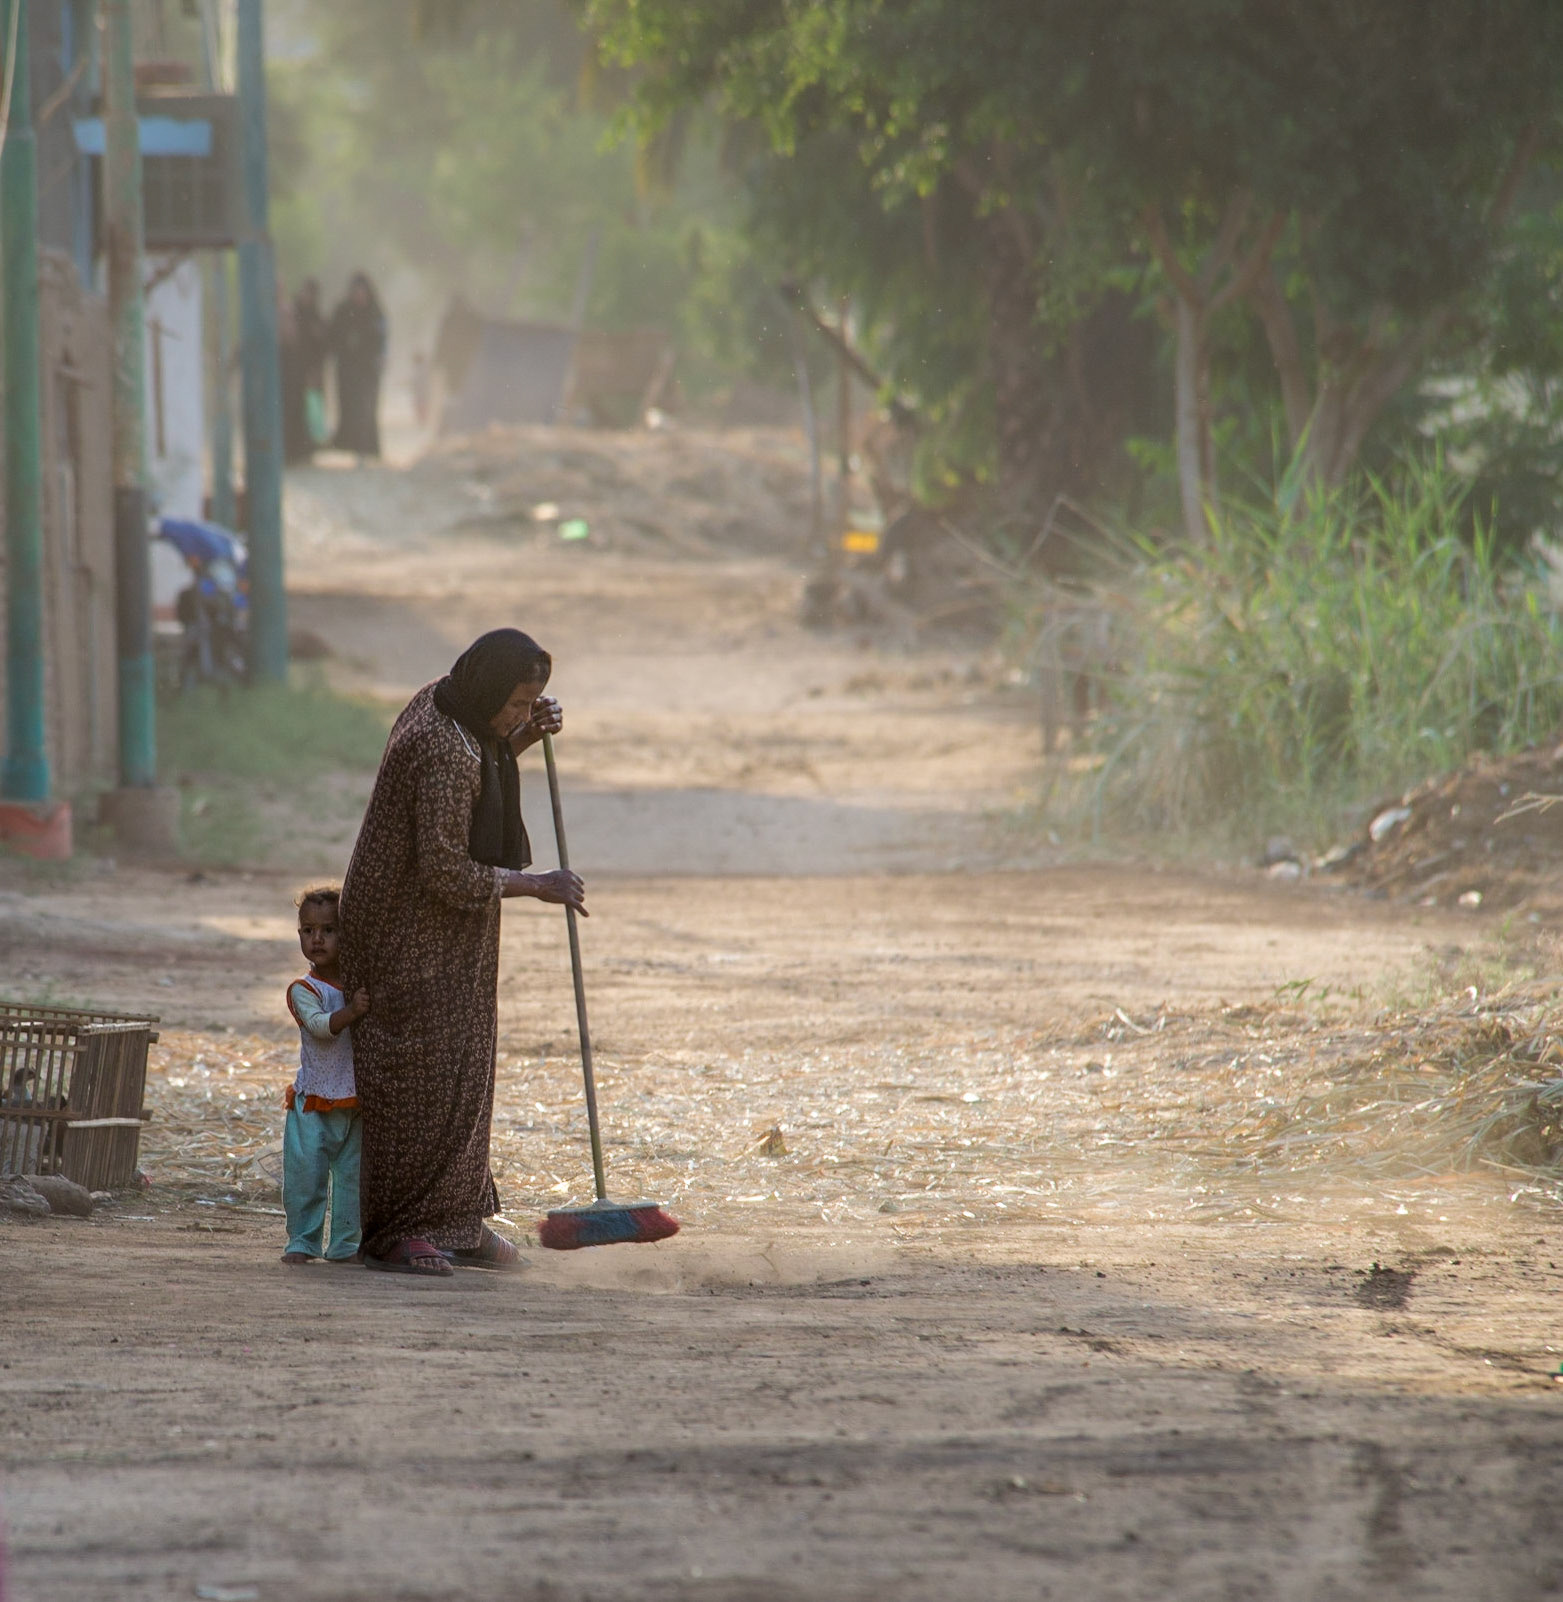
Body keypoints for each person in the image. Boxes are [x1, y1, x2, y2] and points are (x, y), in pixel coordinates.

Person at [339, 629, 587, 1276]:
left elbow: (485, 756)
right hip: (407, 926)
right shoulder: (439, 745)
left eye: (527, 702)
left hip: (448, 929)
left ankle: (457, 1220)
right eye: (512, 704)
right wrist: (536, 885)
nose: (517, 714)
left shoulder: (447, 705)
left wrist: (523, 736)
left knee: (463, 1068)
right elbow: (446, 869)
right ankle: (401, 1229)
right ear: (484, 691)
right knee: (417, 1072)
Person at [281, 886, 369, 1266]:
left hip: (353, 1103)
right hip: (312, 1102)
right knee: (306, 1179)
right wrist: (353, 1011)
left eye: (329, 930)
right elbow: (320, 1026)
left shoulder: (358, 985)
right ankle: (302, 1241)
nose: (317, 939)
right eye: (308, 931)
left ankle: (345, 1246)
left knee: (351, 1182)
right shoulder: (304, 990)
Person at [328, 271, 387, 460]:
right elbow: (333, 338)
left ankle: (366, 448)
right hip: (348, 370)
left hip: (369, 370)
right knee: (351, 408)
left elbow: (382, 340)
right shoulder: (343, 311)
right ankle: (353, 447)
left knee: (367, 408)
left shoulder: (375, 312)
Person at [293, 278, 330, 448]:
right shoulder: (294, 315)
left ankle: (311, 444)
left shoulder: (317, 318)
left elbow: (323, 348)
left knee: (312, 407)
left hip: (312, 370)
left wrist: (315, 370)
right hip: (294, 369)